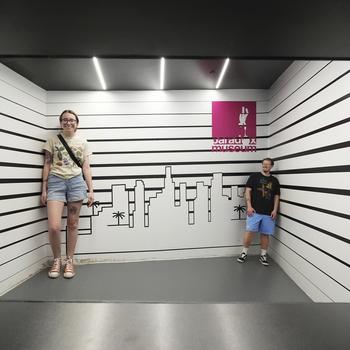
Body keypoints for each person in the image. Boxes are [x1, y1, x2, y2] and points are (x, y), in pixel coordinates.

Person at [40, 110, 94, 278]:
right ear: (60, 122)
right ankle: (57, 259)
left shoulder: (83, 142)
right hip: (56, 182)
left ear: (77, 123)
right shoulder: (52, 140)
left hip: (76, 183)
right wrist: (44, 188)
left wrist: (91, 190)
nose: (68, 122)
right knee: (54, 227)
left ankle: (69, 260)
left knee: (72, 224)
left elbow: (86, 167)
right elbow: (47, 164)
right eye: (65, 120)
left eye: (71, 120)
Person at [237, 158, 280, 266]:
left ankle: (263, 255)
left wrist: (275, 209)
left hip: (269, 213)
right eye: (264, 164)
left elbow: (276, 196)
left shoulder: (274, 181)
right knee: (249, 232)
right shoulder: (254, 176)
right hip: (254, 211)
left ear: (271, 166)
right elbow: (247, 191)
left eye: (267, 164)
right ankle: (244, 253)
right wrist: (249, 206)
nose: (265, 166)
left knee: (265, 234)